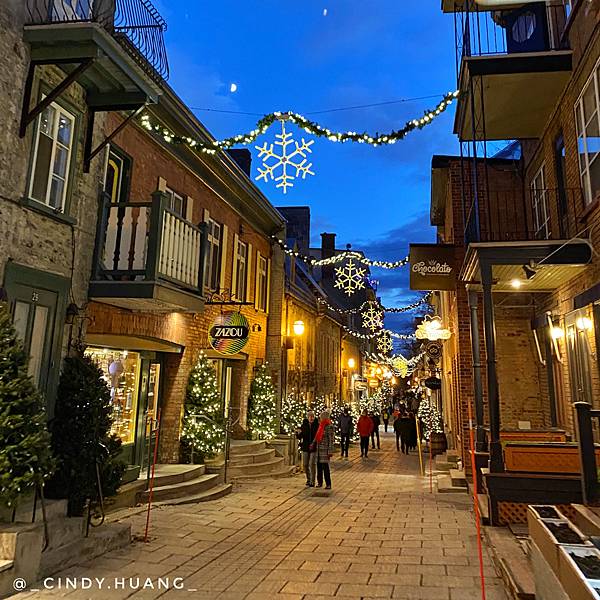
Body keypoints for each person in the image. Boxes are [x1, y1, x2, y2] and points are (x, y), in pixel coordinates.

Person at [296, 411, 319, 486]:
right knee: (305, 464)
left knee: (312, 463)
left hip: (314, 447)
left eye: (312, 416)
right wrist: (298, 433)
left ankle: (312, 481)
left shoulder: (317, 425)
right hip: (305, 447)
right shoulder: (304, 425)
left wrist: (315, 443)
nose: (311, 418)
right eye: (310, 416)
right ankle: (308, 479)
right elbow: (300, 437)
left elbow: (318, 436)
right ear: (307, 417)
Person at [315, 410, 335, 489]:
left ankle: (328, 484)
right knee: (319, 467)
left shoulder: (329, 426)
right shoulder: (320, 425)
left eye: (321, 416)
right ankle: (320, 482)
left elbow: (331, 439)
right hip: (319, 449)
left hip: (325, 450)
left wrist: (330, 450)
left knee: (325, 467)